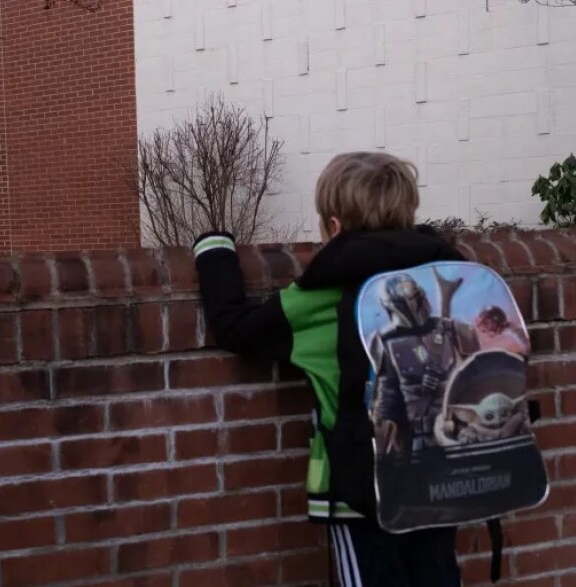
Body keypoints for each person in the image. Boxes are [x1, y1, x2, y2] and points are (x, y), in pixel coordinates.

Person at [194, 152, 465, 586]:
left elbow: (237, 330)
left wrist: (214, 251)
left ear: (334, 228)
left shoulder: (324, 298)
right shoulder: (448, 280)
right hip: (440, 473)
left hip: (359, 490)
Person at [371, 273, 480, 456]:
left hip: (459, 436)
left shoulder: (455, 330)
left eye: (415, 297)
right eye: (407, 299)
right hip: (415, 442)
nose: (413, 304)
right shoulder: (385, 341)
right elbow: (387, 399)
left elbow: (479, 385)